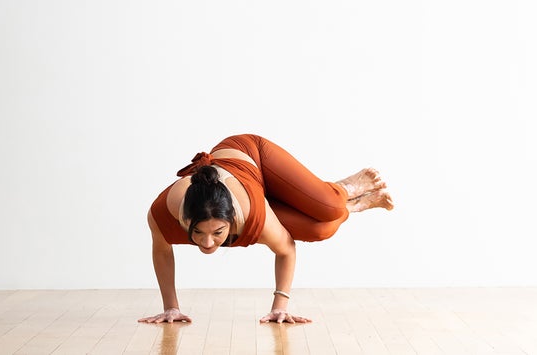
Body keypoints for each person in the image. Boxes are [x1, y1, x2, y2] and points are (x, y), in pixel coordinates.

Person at [137, 134, 394, 324]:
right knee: (321, 230)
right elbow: (162, 252)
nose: (207, 243)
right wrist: (171, 307)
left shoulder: (252, 215)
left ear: (232, 221)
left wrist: (280, 305)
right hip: (247, 190)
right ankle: (356, 206)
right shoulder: (162, 215)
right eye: (198, 233)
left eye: (217, 233)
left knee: (330, 209)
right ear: (185, 221)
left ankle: (344, 190)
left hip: (252, 155)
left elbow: (286, 250)